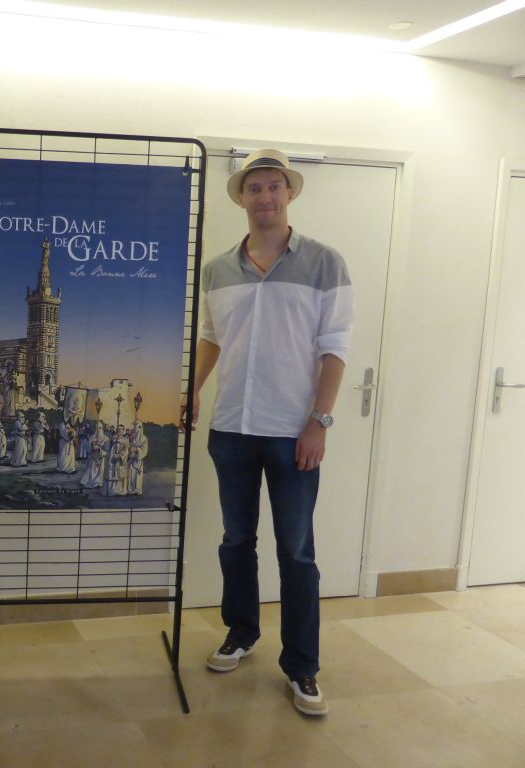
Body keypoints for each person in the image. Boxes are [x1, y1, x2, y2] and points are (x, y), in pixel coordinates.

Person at [184, 149, 353, 717]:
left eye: (273, 187)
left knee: (297, 552)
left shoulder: (326, 264)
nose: (264, 197)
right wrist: (191, 389)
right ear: (241, 198)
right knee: (236, 541)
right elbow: (211, 338)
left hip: (292, 434)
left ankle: (303, 667)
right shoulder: (217, 271)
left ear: (290, 194)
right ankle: (241, 631)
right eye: (253, 188)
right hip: (231, 426)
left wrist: (319, 422)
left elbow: (335, 349)